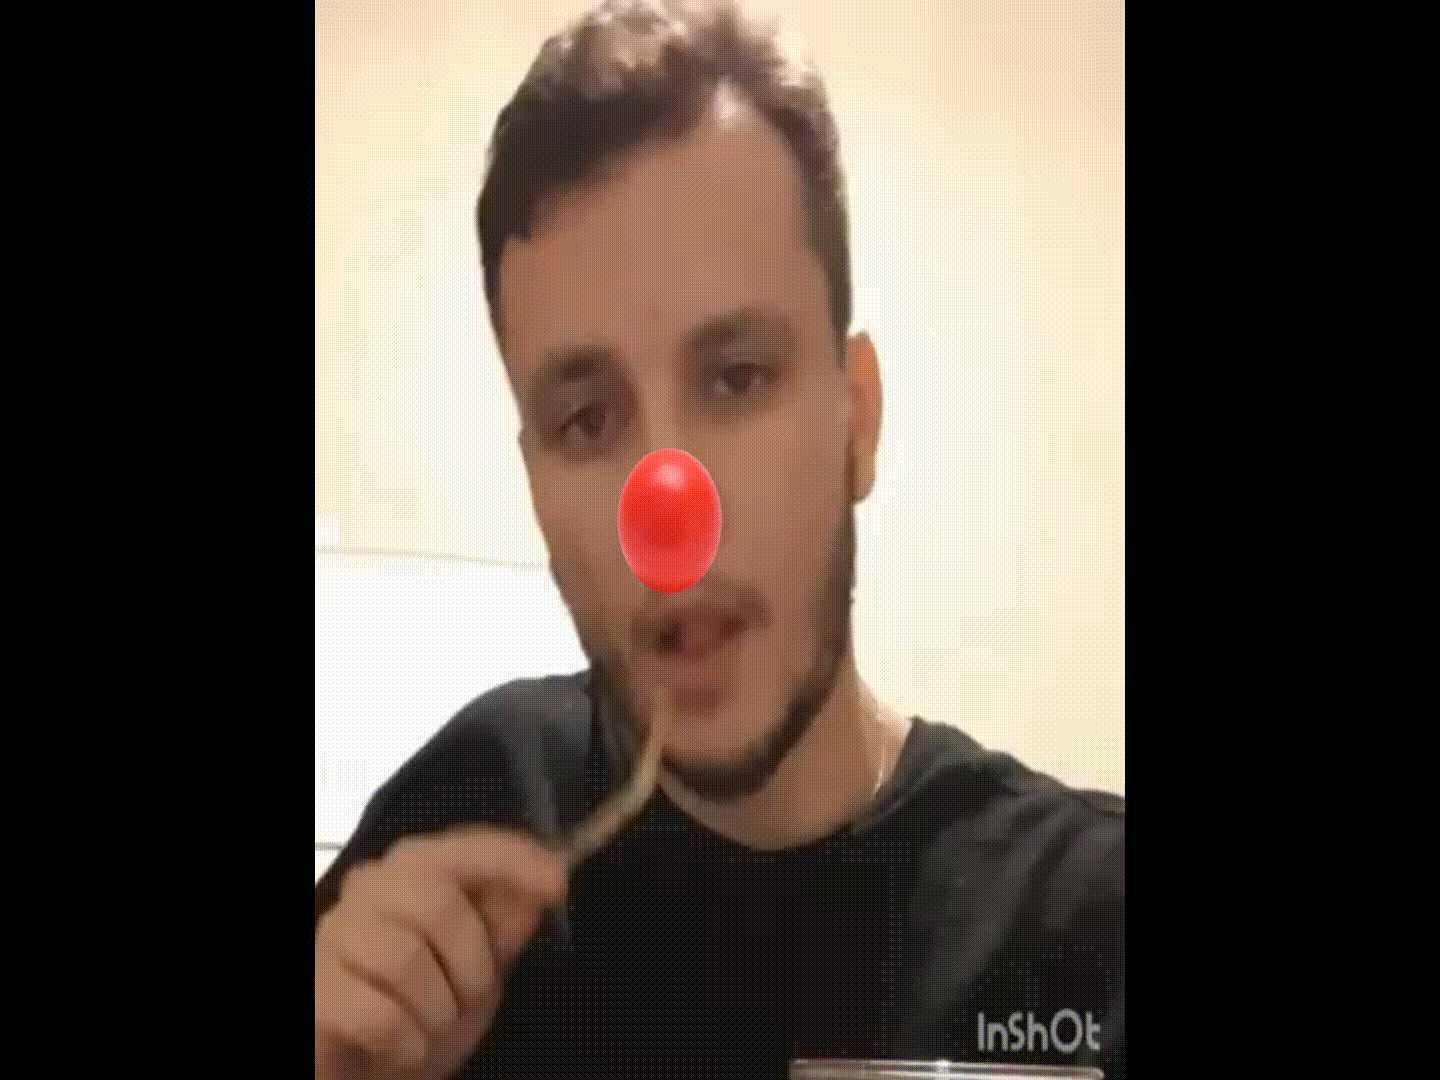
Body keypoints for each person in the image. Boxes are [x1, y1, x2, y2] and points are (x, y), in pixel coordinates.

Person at [314, 3, 1124, 1078]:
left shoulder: (1087, 922)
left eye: (737, 378)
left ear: (857, 422)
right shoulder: (475, 812)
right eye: (586, 420)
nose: (669, 511)